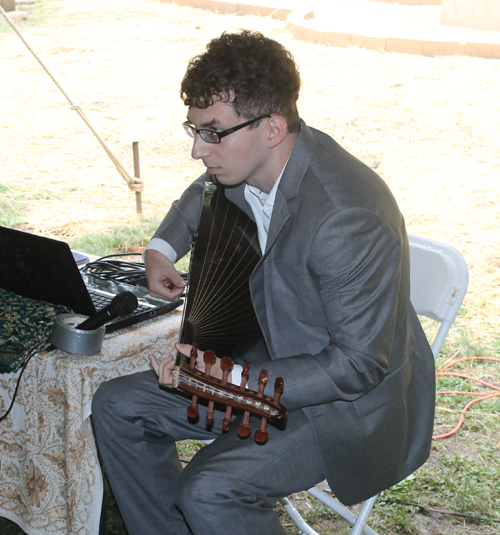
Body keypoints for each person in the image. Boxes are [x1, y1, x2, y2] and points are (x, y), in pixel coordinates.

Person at [92, 30, 436, 535]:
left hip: (336, 405)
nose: (196, 149)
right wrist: (160, 249)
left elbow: (357, 366)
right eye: (192, 129)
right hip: (261, 366)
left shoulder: (344, 217)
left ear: (272, 127)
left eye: (212, 132)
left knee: (209, 489)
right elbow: (203, 188)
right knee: (118, 406)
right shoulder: (250, 161)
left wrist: (223, 380)